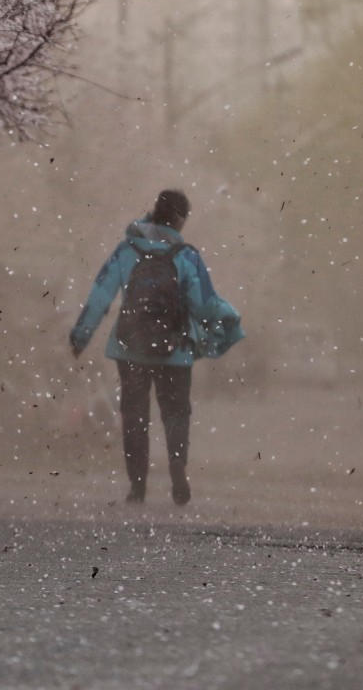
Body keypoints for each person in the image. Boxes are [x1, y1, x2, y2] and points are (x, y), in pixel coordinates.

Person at [69, 189, 243, 505]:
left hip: (130, 346)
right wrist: (230, 318)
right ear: (179, 219)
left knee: (134, 415)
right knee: (176, 410)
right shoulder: (186, 257)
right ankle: (177, 461)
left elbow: (100, 295)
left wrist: (80, 336)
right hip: (174, 349)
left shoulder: (126, 250)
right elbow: (205, 304)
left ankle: (138, 486)